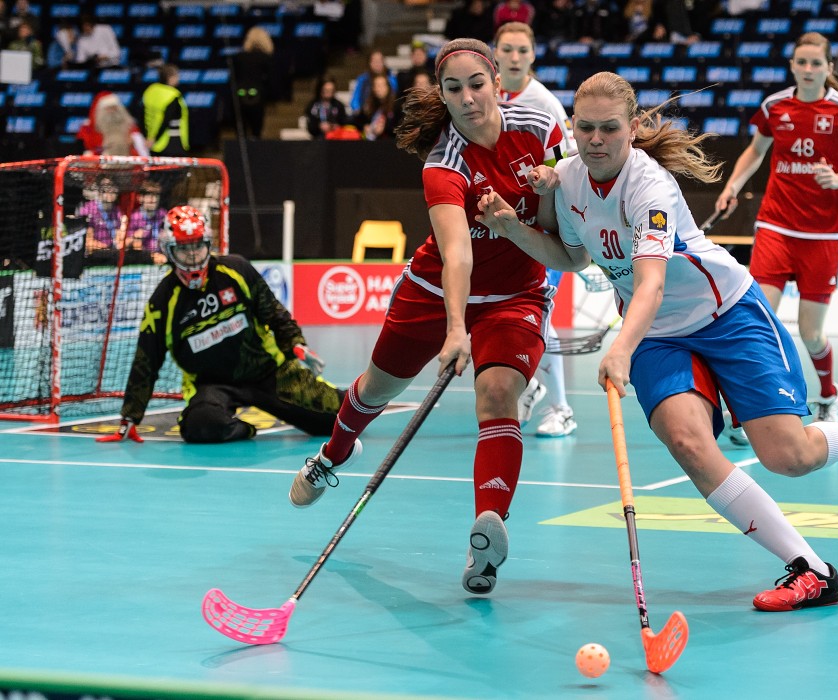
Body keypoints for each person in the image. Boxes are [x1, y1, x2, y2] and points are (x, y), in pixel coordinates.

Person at [477, 70, 838, 612]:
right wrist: (513, 228)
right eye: (585, 127)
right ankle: (811, 569)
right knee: (689, 444)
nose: (595, 139)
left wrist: (620, 348)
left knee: (788, 456)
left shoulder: (650, 186)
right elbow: (572, 257)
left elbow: (651, 282)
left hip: (725, 314)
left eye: (609, 128)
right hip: (658, 336)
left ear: (633, 128)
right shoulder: (570, 178)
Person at [286, 38, 566, 598]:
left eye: (477, 84)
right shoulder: (444, 163)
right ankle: (333, 454)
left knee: (498, 394)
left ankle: (486, 535)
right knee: (375, 389)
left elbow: (571, 202)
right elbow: (457, 251)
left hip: (515, 294)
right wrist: (457, 327)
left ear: (497, 84)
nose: (467, 98)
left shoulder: (540, 127)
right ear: (441, 94)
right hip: (435, 292)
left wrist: (553, 188)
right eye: (453, 89)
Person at [715, 32, 838, 425]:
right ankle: (752, 406)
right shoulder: (774, 106)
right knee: (759, 321)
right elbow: (755, 151)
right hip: (775, 226)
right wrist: (732, 187)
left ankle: (827, 394)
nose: (808, 69)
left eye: (816, 63)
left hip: (823, 235)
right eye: (802, 62)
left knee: (811, 333)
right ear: (792, 66)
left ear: (829, 67)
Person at [99, 205, 343, 445]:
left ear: (208, 245)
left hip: (268, 371)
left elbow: (274, 313)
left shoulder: (237, 269)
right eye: (184, 249)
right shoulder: (162, 301)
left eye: (198, 246)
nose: (193, 256)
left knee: (339, 419)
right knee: (200, 425)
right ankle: (245, 430)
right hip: (212, 385)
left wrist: (296, 344)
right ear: (169, 251)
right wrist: (131, 416)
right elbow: (146, 360)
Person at [493, 21, 579, 437]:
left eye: (522, 50)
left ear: (532, 55)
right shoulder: (487, 97)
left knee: (540, 315)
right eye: (507, 49)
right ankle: (531, 386)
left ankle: (562, 407)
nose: (514, 57)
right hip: (505, 227)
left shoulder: (544, 103)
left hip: (542, 228)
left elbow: (567, 165)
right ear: (495, 53)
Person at [231, 26, 275, 140]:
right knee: (256, 132)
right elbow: (271, 80)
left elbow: (232, 78)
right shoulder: (266, 58)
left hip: (239, 96)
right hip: (258, 97)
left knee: (240, 133)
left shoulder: (238, 57)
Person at [77, 92, 150, 157]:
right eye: (108, 108)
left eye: (114, 107)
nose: (111, 111)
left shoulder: (131, 128)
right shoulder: (88, 129)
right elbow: (88, 150)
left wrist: (133, 142)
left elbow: (143, 153)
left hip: (126, 160)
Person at [142, 64, 190, 156]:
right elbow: (166, 119)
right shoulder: (173, 95)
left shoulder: (149, 91)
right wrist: (155, 138)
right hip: (171, 142)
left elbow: (142, 116)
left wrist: (148, 137)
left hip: (152, 143)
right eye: (177, 76)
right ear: (170, 78)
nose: (178, 79)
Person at [127, 179, 168, 264]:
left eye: (155, 195)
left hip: (164, 256)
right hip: (144, 259)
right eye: (148, 195)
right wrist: (152, 256)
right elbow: (133, 245)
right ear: (140, 198)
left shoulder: (163, 214)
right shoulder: (135, 217)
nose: (152, 199)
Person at [349, 50, 397, 118]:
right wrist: (360, 113)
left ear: (384, 62)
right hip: (367, 113)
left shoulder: (391, 79)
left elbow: (394, 98)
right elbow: (355, 100)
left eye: (379, 61)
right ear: (369, 63)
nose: (377, 64)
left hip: (387, 112)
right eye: (374, 61)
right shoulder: (363, 79)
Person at [353, 73, 396, 140]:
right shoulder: (369, 104)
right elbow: (356, 121)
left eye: (381, 85)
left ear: (388, 87)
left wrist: (384, 129)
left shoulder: (396, 106)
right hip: (370, 142)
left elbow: (401, 127)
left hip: (389, 142)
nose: (378, 88)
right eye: (376, 85)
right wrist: (364, 127)